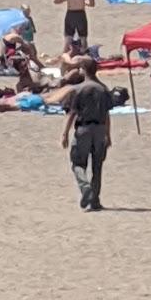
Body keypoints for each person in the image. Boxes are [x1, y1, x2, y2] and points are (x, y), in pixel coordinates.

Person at [61, 55, 113, 210]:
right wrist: (108, 135)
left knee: (77, 163)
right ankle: (95, 200)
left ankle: (86, 188)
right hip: (100, 129)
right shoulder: (103, 89)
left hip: (83, 129)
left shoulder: (78, 89)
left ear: (83, 70)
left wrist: (65, 133)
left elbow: (72, 113)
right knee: (97, 166)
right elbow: (107, 115)